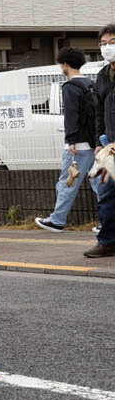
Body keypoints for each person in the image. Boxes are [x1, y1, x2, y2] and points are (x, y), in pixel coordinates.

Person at [34, 48, 98, 232]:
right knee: (99, 183)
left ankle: (57, 220)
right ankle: (108, 223)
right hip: (95, 144)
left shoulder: (70, 87)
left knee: (67, 181)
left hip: (78, 146)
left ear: (66, 65)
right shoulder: (90, 84)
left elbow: (71, 115)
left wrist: (71, 140)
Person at [85, 25, 115, 258]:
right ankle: (107, 241)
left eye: (112, 42)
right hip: (109, 146)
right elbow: (99, 112)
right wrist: (99, 141)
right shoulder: (103, 75)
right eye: (103, 43)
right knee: (105, 193)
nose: (107, 47)